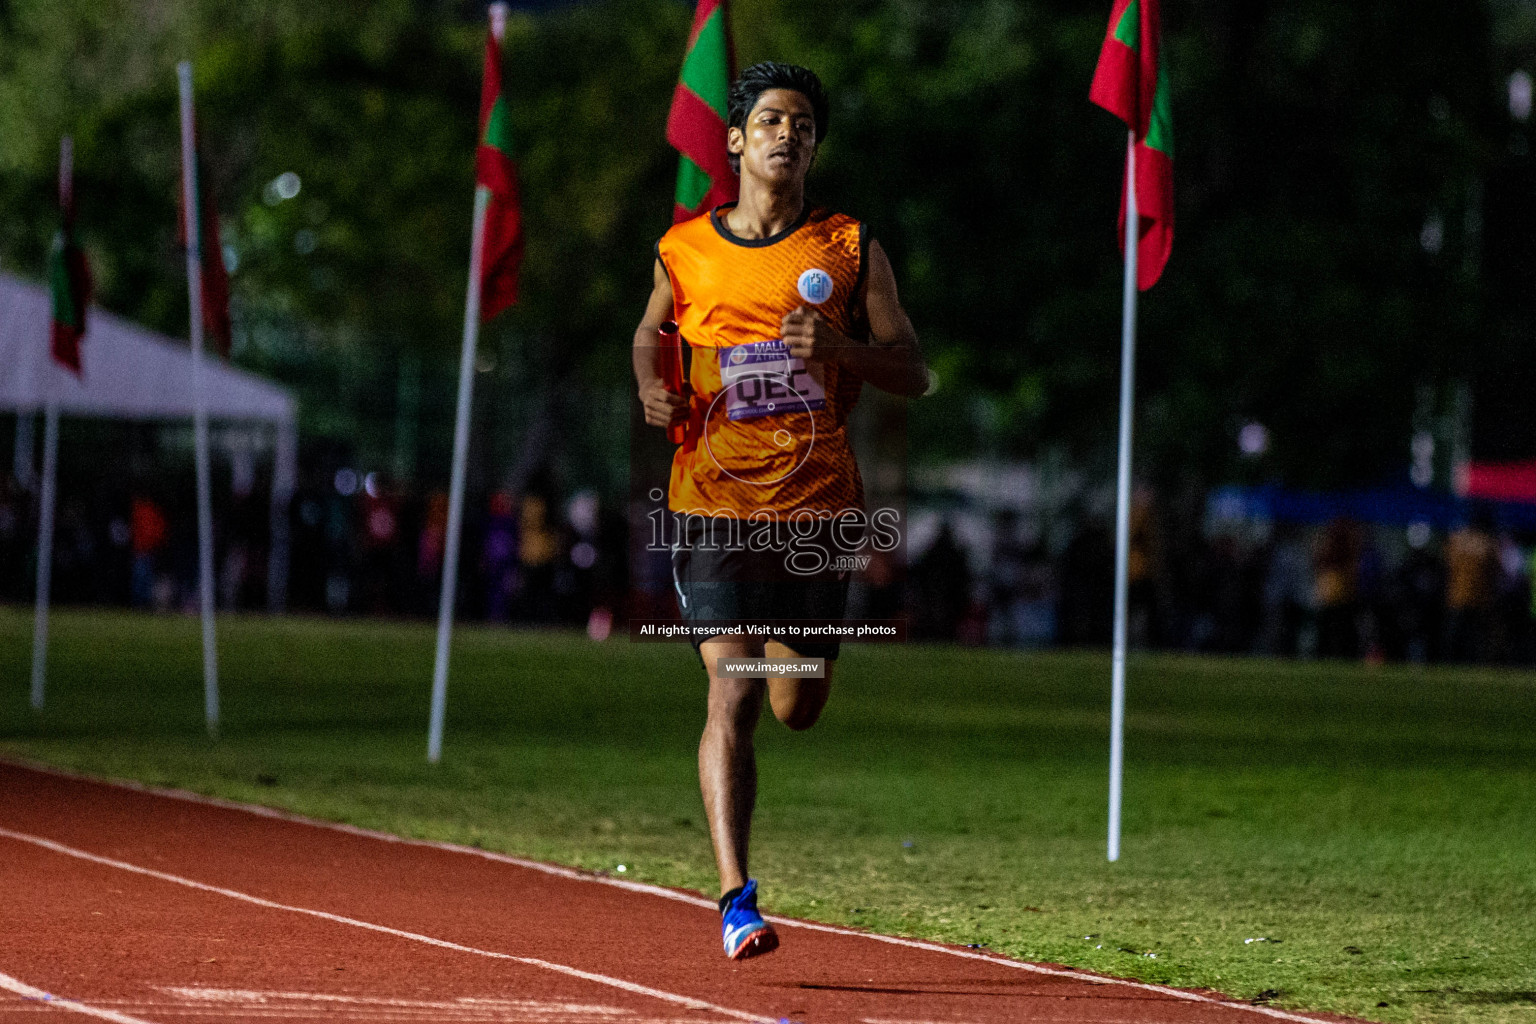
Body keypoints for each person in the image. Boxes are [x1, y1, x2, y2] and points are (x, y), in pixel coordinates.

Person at [631, 61, 928, 959]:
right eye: (769, 120)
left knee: (795, 704)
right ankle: (736, 898)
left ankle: (784, 664)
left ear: (813, 144)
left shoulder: (847, 247)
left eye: (801, 123)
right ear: (736, 140)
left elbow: (913, 370)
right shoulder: (685, 248)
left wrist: (842, 344)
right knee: (731, 693)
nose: (786, 134)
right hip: (712, 502)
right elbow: (652, 329)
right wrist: (653, 384)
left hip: (815, 509)